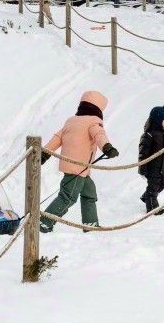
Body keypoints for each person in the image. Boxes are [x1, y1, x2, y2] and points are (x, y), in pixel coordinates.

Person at [39, 91, 119, 233]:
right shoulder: (93, 121)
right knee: (67, 197)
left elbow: (57, 138)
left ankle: (90, 223)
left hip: (80, 169)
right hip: (78, 168)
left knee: (89, 193)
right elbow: (99, 134)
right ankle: (44, 222)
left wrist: (45, 153)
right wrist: (107, 147)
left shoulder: (71, 121)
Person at [138, 105, 164, 214]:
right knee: (153, 186)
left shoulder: (162, 133)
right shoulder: (148, 135)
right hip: (151, 167)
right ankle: (152, 208)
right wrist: (142, 168)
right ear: (158, 120)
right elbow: (143, 153)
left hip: (161, 165)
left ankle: (147, 196)